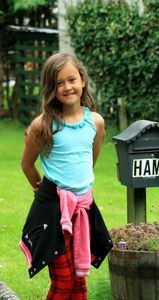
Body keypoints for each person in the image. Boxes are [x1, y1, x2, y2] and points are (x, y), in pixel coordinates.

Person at [19, 52, 113, 300]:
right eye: (58, 83)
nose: (66, 87)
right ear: (51, 88)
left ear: (82, 79)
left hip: (83, 210)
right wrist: (41, 188)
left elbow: (89, 162)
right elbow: (26, 164)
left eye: (71, 79)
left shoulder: (96, 122)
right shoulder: (43, 126)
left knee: (80, 283)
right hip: (53, 212)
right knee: (63, 283)